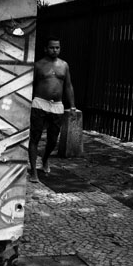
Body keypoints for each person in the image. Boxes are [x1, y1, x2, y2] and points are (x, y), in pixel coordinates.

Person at [28, 36, 76, 183]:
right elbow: (30, 85)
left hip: (57, 106)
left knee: (53, 140)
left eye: (57, 47)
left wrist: (72, 106)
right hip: (40, 103)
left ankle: (45, 159)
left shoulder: (64, 65)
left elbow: (68, 86)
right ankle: (33, 171)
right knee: (35, 137)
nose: (55, 50)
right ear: (45, 49)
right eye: (52, 47)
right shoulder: (38, 65)